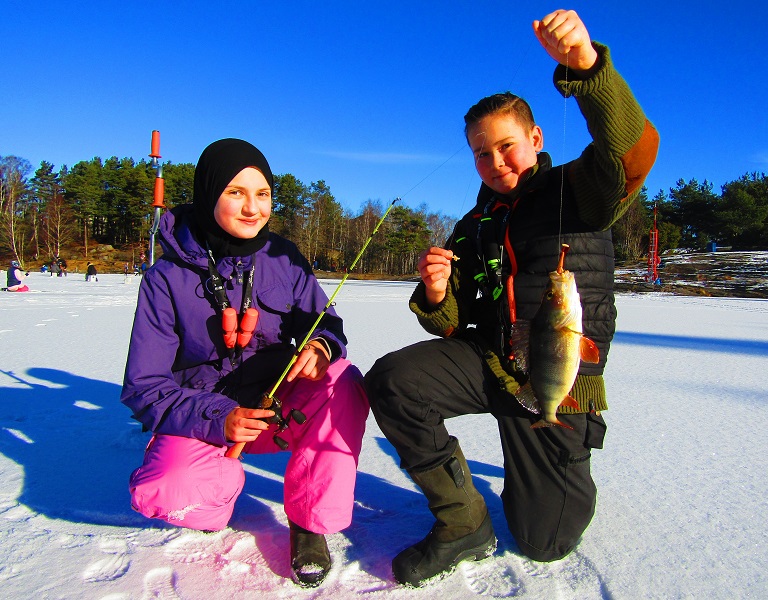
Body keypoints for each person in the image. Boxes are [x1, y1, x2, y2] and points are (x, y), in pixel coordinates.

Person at [364, 9, 659, 587]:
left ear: (536, 138)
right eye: (480, 152)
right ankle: (463, 519)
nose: (495, 162)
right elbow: (455, 323)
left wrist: (589, 71)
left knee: (544, 541)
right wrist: (437, 294)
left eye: (506, 146)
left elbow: (633, 154)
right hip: (491, 363)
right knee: (393, 380)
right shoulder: (474, 223)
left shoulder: (577, 194)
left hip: (558, 381)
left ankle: (559, 457)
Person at [121, 138, 370, 588]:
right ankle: (215, 483)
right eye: (236, 192)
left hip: (278, 410)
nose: (253, 208)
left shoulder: (284, 258)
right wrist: (220, 418)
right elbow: (144, 386)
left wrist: (320, 347)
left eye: (263, 194)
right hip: (208, 418)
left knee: (342, 378)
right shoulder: (164, 278)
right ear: (208, 193)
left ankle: (310, 522)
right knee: (168, 492)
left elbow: (325, 322)